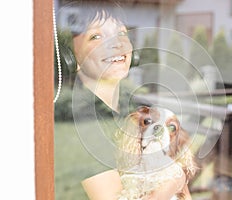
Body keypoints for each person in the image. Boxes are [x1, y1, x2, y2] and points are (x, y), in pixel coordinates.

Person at [57, 1, 191, 199]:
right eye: (97, 36)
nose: (117, 44)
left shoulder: (132, 108)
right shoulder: (83, 124)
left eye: (121, 33)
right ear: (72, 59)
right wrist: (176, 180)